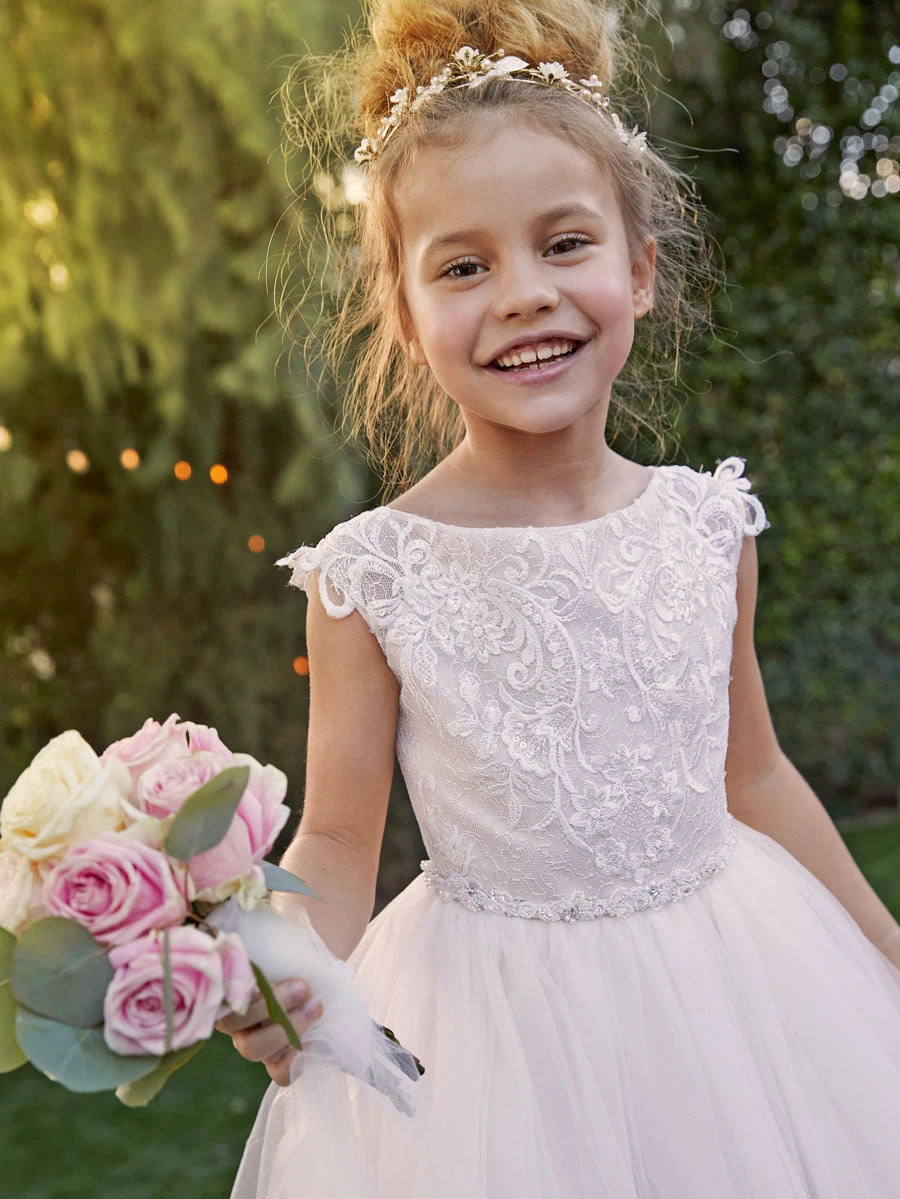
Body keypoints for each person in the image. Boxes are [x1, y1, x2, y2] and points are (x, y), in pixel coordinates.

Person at [217, 1, 900, 1194]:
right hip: (494, 1034)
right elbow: (335, 836)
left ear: (640, 266)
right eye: (465, 266)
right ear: (404, 310)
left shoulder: (705, 525)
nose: (524, 293)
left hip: (737, 987)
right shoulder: (372, 573)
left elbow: (754, 771)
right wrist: (289, 968)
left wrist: (884, 950)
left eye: (565, 243)